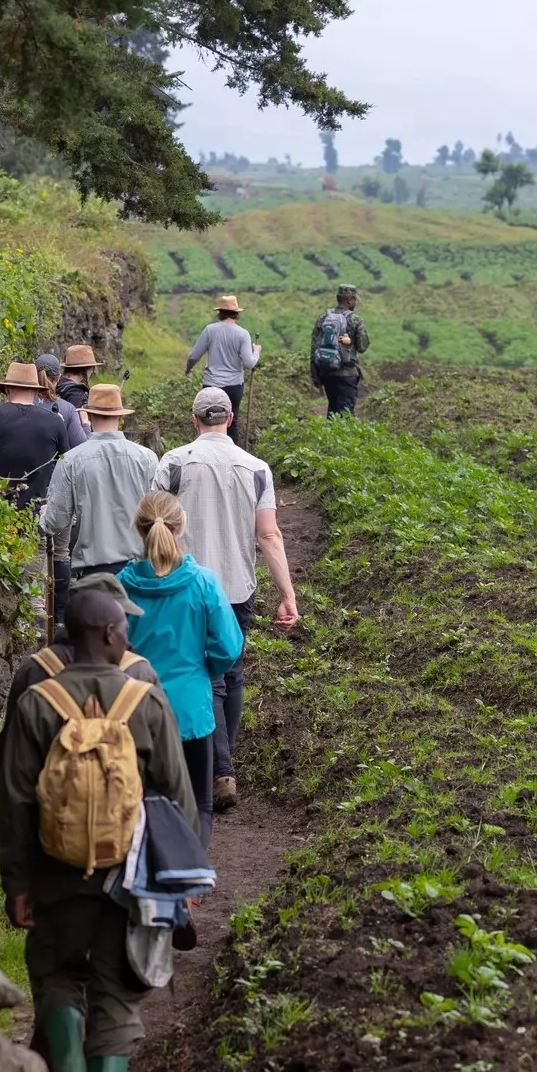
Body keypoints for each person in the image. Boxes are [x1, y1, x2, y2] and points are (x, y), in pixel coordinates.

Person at [0, 587, 196, 1072]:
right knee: (117, 991)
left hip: (54, 871)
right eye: (124, 630)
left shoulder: (38, 700)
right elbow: (178, 798)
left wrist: (17, 882)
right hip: (127, 877)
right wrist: (176, 882)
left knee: (57, 972)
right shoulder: (145, 701)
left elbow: (14, 799)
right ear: (110, 634)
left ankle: (68, 1069)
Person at [153, 387, 300, 813]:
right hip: (237, 588)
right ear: (230, 419)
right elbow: (269, 535)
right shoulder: (256, 468)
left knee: (200, 675)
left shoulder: (175, 462)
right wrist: (287, 594)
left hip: (185, 586)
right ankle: (223, 765)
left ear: (194, 420)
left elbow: (152, 526)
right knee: (230, 674)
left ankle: (216, 768)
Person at [118, 492, 243, 845]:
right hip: (190, 710)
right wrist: (205, 668)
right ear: (181, 525)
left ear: (138, 529)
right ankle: (191, 886)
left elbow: (107, 650)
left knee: (141, 802)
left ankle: (147, 877)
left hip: (136, 709)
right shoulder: (202, 581)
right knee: (199, 803)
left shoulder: (121, 586)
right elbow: (229, 646)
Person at [39, 384, 158, 582]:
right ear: (120, 416)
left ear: (89, 416)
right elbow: (158, 511)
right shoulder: (147, 458)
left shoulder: (71, 460)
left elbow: (57, 520)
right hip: (141, 567)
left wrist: (44, 517)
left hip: (94, 569)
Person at [0, 361, 70, 508]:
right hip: (33, 513)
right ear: (36, 391)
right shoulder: (55, 421)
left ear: (6, 389)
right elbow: (67, 466)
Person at [184, 295, 261, 442]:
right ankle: (233, 458)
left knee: (206, 421)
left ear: (220, 312)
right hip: (234, 386)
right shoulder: (242, 334)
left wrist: (188, 369)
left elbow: (194, 355)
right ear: (237, 313)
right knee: (231, 422)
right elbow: (249, 363)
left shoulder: (210, 330)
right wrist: (256, 351)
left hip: (211, 385)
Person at [308, 284, 369, 418]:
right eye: (354, 300)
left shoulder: (323, 317)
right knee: (346, 413)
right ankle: (342, 438)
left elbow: (314, 346)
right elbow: (362, 347)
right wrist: (350, 342)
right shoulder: (355, 319)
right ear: (349, 300)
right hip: (346, 373)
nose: (355, 303)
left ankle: (329, 436)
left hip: (326, 371)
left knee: (333, 409)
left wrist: (314, 373)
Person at [33, 354, 89, 449]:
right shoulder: (68, 409)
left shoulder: (22, 402)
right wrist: (86, 424)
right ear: (59, 377)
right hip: (57, 463)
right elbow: (83, 447)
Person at [59, 344, 102, 412]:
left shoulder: (56, 383)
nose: (92, 372)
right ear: (86, 369)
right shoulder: (76, 394)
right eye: (92, 368)